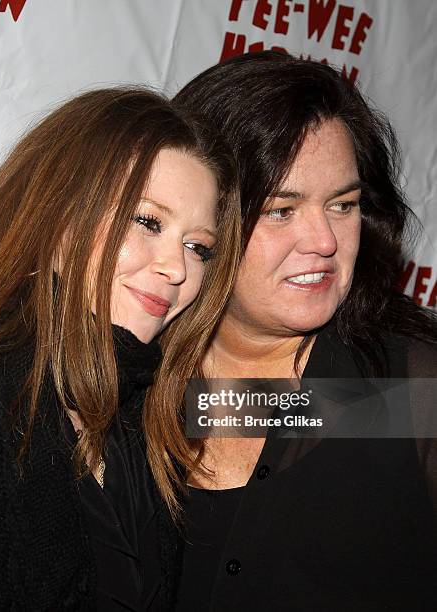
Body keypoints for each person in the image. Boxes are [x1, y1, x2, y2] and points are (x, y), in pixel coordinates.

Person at [0, 88, 241, 610]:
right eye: (148, 222)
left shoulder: (144, 424)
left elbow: (336, 413)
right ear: (60, 210)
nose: (178, 269)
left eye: (197, 247)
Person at [171, 52, 437, 610]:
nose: (323, 240)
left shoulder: (414, 390)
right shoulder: (122, 388)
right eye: (280, 210)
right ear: (202, 215)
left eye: (342, 205)